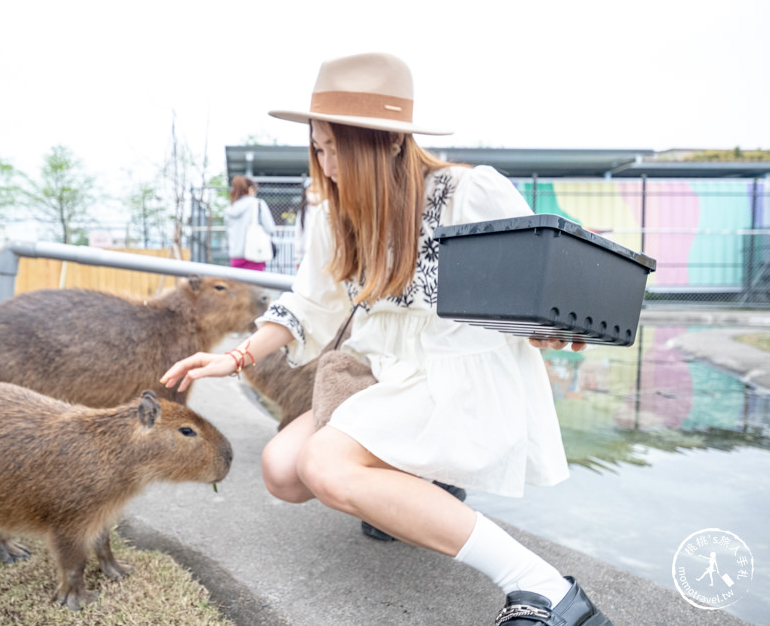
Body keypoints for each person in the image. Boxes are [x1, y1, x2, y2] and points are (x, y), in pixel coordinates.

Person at [162, 53, 612, 625]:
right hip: (383, 371)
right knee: (282, 470)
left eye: (333, 147)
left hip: (454, 371)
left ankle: (547, 591)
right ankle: (423, 482)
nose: (322, 164)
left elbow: (541, 274)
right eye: (317, 147)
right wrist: (235, 357)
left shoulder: (466, 193)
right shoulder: (336, 215)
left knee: (326, 465)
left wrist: (556, 323)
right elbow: (309, 302)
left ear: (389, 143)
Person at [225, 175, 276, 271]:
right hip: (254, 254)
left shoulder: (229, 210)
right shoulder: (258, 204)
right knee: (254, 285)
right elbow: (270, 228)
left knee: (237, 285)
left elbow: (227, 233)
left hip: (235, 256)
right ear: (250, 189)